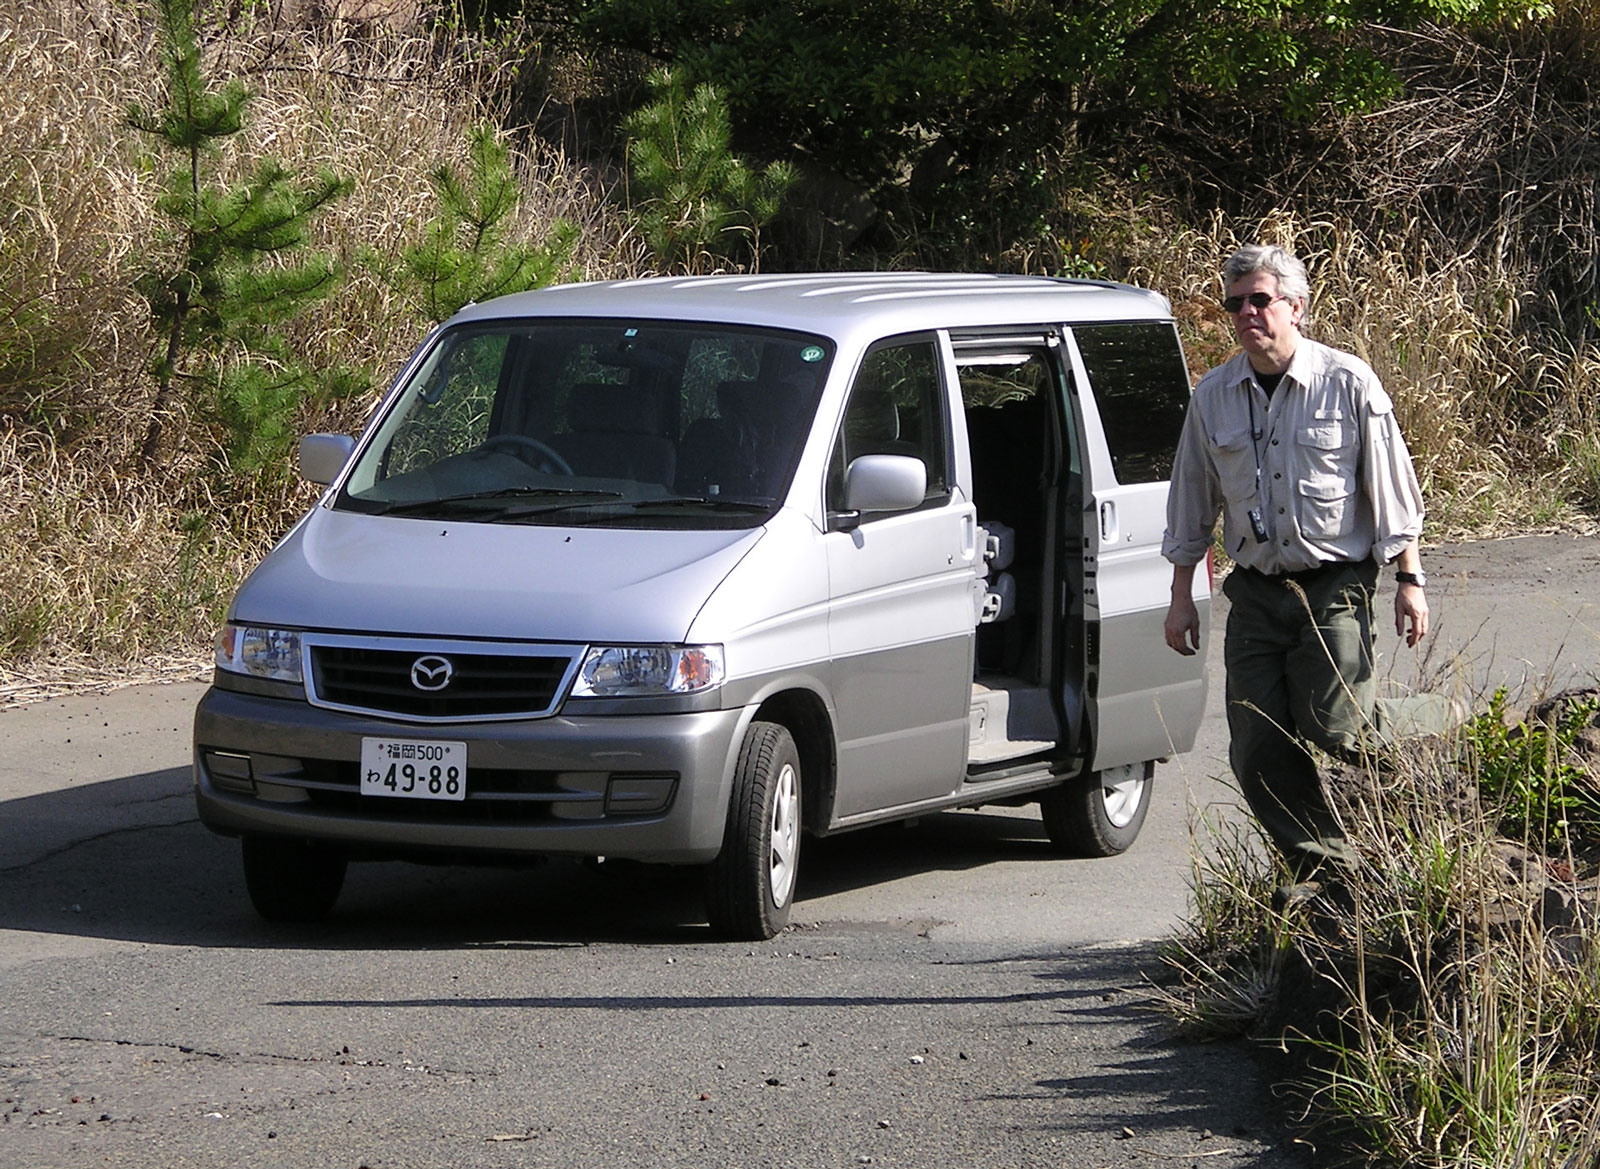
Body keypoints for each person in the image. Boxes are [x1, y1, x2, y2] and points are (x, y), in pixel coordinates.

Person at [1161, 244, 1452, 877]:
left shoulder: (1348, 381)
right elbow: (1192, 500)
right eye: (1235, 303)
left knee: (1335, 725)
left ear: (1295, 306)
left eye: (1260, 300)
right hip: (1257, 590)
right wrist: (1182, 595)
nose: (1246, 313)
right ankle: (1322, 871)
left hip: (1333, 583)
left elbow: (1393, 491)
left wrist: (1409, 579)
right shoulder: (1213, 395)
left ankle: (1437, 721)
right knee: (1258, 743)